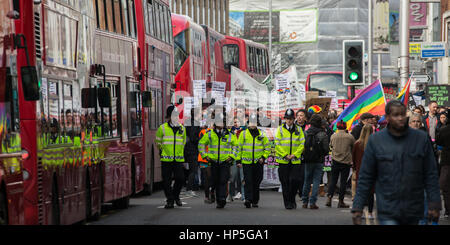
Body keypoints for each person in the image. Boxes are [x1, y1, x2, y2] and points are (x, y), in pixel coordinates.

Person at [352, 100, 442, 225]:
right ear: (388, 117)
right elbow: (366, 176)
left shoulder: (421, 139)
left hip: (415, 206)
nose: (400, 118)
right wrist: (358, 206)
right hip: (388, 208)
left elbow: (430, 173)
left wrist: (435, 202)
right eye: (395, 115)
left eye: (402, 114)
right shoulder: (376, 141)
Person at [198, 108, 239, 209]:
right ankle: (214, 194)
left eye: (222, 122)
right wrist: (205, 156)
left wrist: (231, 156)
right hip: (213, 162)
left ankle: (221, 199)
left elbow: (236, 147)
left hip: (225, 161)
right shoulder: (209, 134)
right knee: (215, 180)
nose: (221, 124)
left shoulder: (230, 134)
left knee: (223, 180)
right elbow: (201, 144)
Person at [155, 105, 187, 209]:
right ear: (168, 117)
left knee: (180, 179)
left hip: (178, 159)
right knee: (166, 181)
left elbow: (183, 143)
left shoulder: (182, 128)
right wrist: (164, 151)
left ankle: (175, 196)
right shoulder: (162, 128)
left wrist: (180, 154)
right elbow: (158, 143)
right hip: (166, 159)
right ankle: (170, 200)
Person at [237, 114, 270, 208]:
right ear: (248, 123)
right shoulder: (243, 134)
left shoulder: (262, 134)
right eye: (251, 122)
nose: (252, 124)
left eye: (254, 122)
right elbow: (238, 148)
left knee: (257, 181)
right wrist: (238, 160)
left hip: (258, 162)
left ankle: (255, 200)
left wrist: (263, 157)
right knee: (248, 181)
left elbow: (267, 148)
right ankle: (248, 199)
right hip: (246, 162)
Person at [275, 108, 305, 209]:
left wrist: (294, 155)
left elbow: (302, 144)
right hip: (283, 161)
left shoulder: (299, 129)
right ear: (285, 119)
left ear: (294, 119)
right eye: (287, 118)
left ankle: (292, 199)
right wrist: (285, 155)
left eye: (291, 119)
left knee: (295, 181)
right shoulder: (280, 129)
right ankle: (287, 203)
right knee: (285, 183)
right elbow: (277, 144)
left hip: (295, 161)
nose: (289, 120)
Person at [301, 114, 329, 209]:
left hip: (308, 160)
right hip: (319, 160)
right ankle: (313, 202)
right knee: (316, 180)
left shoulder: (306, 132)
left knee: (307, 180)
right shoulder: (323, 134)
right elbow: (326, 149)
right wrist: (322, 155)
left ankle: (304, 201)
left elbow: (302, 147)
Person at [326, 120, 355, 208]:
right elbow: (353, 146)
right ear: (345, 127)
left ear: (337, 127)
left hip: (335, 160)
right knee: (343, 182)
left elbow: (331, 146)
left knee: (333, 181)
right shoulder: (350, 137)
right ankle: (341, 201)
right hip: (346, 162)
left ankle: (329, 197)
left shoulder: (333, 136)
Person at [352, 124, 374, 219]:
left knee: (360, 193)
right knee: (370, 194)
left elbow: (353, 157)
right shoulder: (374, 144)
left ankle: (360, 211)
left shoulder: (357, 144)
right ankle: (369, 213)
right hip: (372, 171)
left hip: (360, 171)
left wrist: (354, 168)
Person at [184, 109, 202, 196]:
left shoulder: (188, 122)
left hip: (187, 148)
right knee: (193, 170)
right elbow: (193, 138)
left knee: (192, 169)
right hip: (193, 150)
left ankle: (190, 187)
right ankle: (189, 189)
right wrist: (200, 139)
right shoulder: (195, 123)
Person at [436, 112, 450, 219]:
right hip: (446, 161)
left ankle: (448, 210)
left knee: (446, 187)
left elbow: (438, 142)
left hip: (446, 161)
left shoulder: (443, 130)